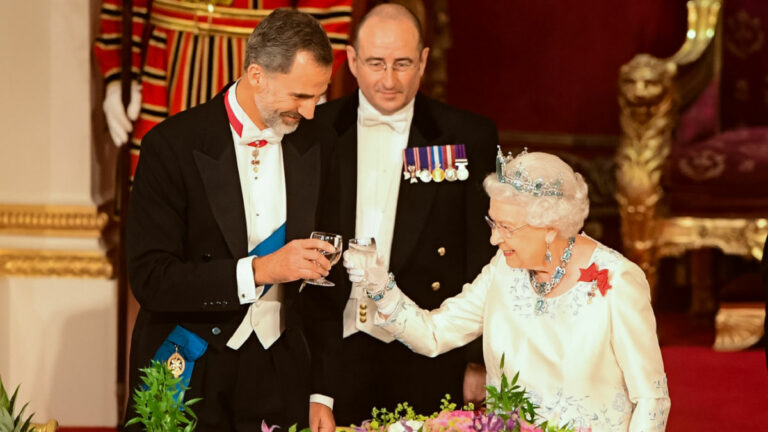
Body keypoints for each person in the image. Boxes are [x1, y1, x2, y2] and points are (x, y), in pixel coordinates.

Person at [344, 150, 671, 431]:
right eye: (492, 223)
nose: (494, 239)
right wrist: (380, 287)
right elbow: (434, 334)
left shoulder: (618, 281)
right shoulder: (503, 268)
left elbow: (651, 398)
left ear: (549, 228)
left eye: (506, 228)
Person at [126, 9, 338, 431]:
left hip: (282, 371)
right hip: (192, 366)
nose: (311, 112)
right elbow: (151, 278)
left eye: (319, 96)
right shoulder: (171, 146)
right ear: (256, 74)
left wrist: (322, 391)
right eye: (299, 96)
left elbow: (331, 283)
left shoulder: (321, 145)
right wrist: (261, 270)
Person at [315, 3, 497, 424]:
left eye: (402, 64)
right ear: (352, 60)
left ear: (424, 62)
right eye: (376, 63)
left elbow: (483, 252)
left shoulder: (466, 136)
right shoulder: (316, 129)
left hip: (427, 346)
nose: (389, 80)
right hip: (334, 342)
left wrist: (476, 357)